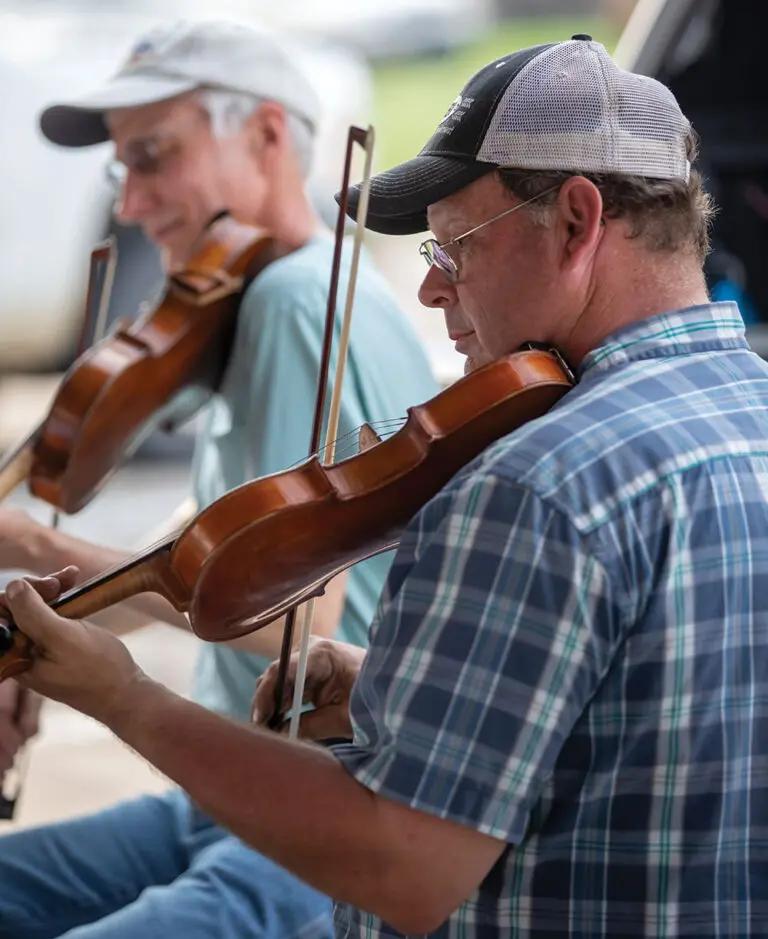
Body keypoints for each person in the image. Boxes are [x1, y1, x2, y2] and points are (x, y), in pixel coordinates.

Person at [4, 33, 768, 937]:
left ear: (575, 221)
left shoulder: (534, 483)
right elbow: (648, 730)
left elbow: (403, 867)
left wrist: (124, 696)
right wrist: (382, 687)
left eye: (453, 251)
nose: (432, 292)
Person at [0, 19, 437, 939]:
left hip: (320, 795)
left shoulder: (297, 301)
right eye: (123, 169)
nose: (130, 201)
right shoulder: (247, 302)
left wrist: (33, 540)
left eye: (154, 157)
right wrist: (42, 636)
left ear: (268, 136)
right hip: (229, 794)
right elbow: (182, 555)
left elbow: (290, 620)